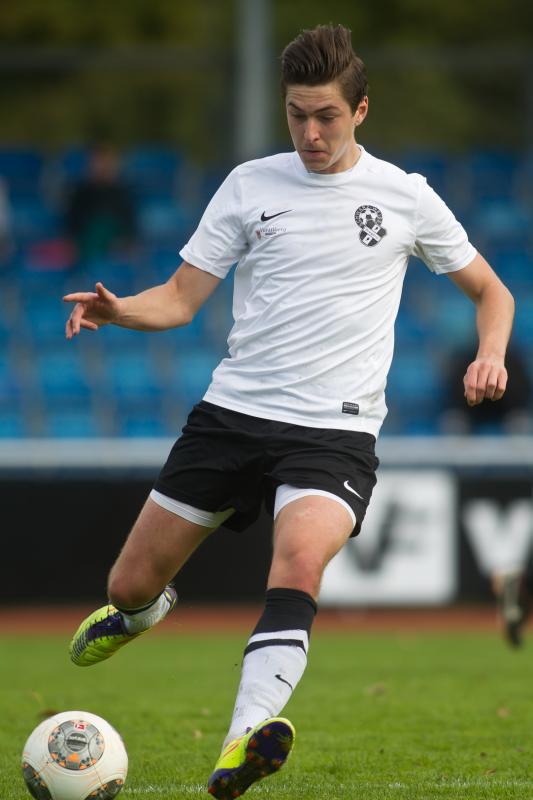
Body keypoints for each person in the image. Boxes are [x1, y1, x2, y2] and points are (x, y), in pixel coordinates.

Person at [63, 25, 515, 799]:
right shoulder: (249, 185)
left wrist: (491, 352)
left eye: (326, 116)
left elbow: (490, 291)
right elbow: (179, 299)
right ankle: (138, 614)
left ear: (359, 110)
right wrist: (120, 310)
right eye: (297, 115)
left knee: (298, 561)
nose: (310, 133)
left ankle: (243, 739)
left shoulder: (404, 196)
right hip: (231, 416)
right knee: (129, 584)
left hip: (335, 431)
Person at [64, 143, 138, 265]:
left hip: (116, 247)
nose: (102, 167)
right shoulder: (81, 193)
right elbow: (72, 226)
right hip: (86, 246)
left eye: (106, 162)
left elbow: (130, 228)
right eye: (97, 162)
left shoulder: (123, 193)